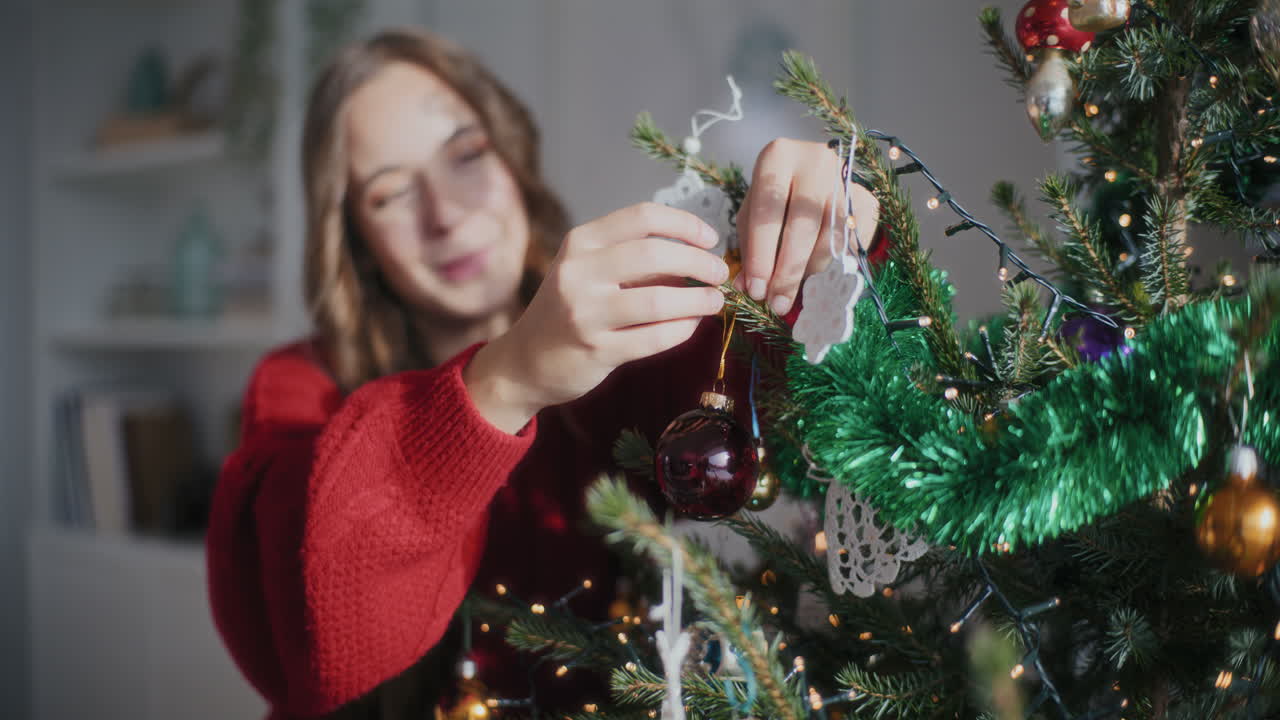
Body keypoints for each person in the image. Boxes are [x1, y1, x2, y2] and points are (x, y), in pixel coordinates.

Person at [207, 26, 878, 720]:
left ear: (512, 154)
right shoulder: (299, 386)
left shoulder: (627, 330)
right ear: (356, 238)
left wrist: (826, 231)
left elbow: (798, 380)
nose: (447, 214)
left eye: (465, 155)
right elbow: (310, 645)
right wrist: (503, 382)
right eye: (388, 195)